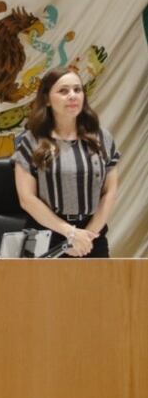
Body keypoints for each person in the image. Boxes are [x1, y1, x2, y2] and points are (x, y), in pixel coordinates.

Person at [13, 66, 119, 257]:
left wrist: (86, 236)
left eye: (77, 90)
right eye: (63, 91)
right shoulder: (31, 141)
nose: (72, 96)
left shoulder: (102, 138)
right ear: (47, 99)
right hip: (47, 234)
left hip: (92, 236)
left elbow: (110, 193)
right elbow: (27, 199)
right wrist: (70, 233)